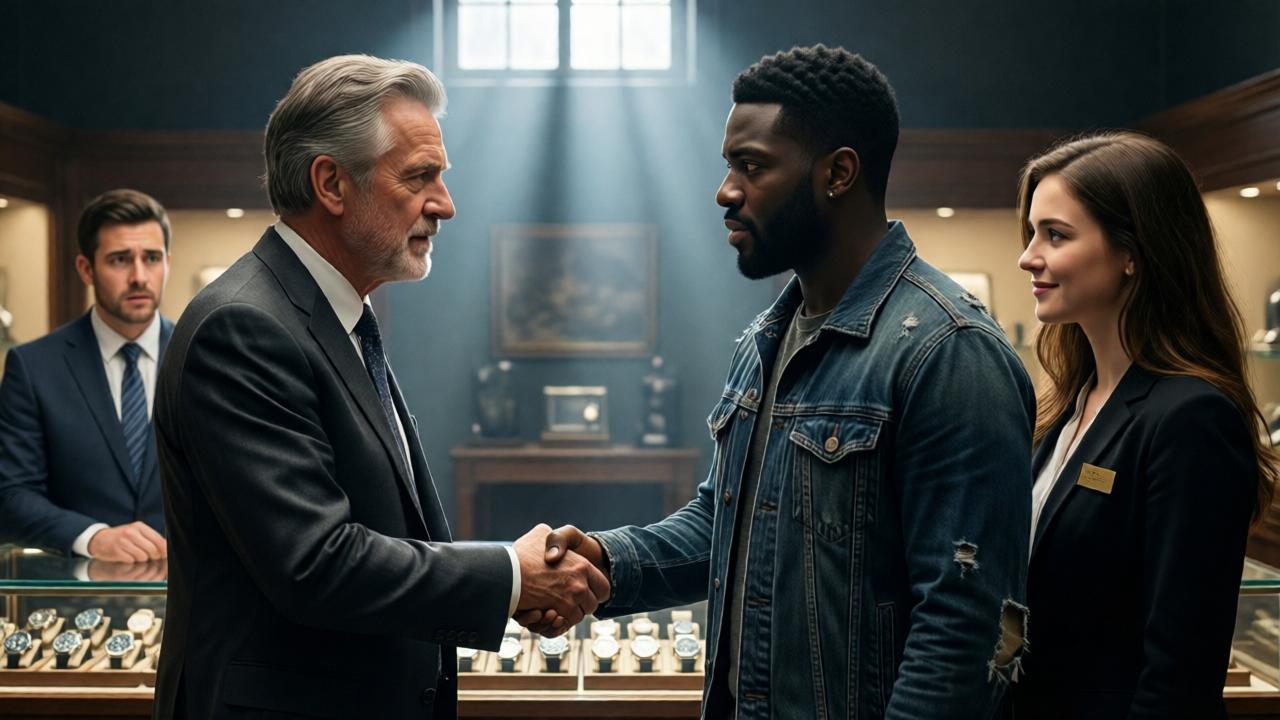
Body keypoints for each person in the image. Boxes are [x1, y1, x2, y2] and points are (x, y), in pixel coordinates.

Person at [520, 44, 1035, 719]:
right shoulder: (766, 338)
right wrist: (605, 561)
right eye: (729, 165)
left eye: (753, 166)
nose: (726, 191)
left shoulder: (950, 351)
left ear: (838, 173)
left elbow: (964, 633)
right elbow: (725, 523)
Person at [152, 55, 608, 720]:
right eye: (420, 177)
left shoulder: (333, 318)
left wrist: (513, 581)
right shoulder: (245, 327)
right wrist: (512, 575)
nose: (445, 204)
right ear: (331, 183)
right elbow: (316, 563)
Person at [1008, 132, 1276, 719]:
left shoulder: (1191, 419)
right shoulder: (1067, 405)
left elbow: (1180, 676)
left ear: (1132, 251)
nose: (1028, 256)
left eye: (1055, 235)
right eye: (1031, 233)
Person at [0, 189, 173, 562]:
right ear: (85, 268)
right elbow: (11, 495)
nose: (139, 276)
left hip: (191, 588)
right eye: (120, 260)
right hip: (76, 589)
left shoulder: (206, 357)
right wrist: (92, 537)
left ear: (167, 263)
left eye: (152, 258)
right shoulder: (33, 367)